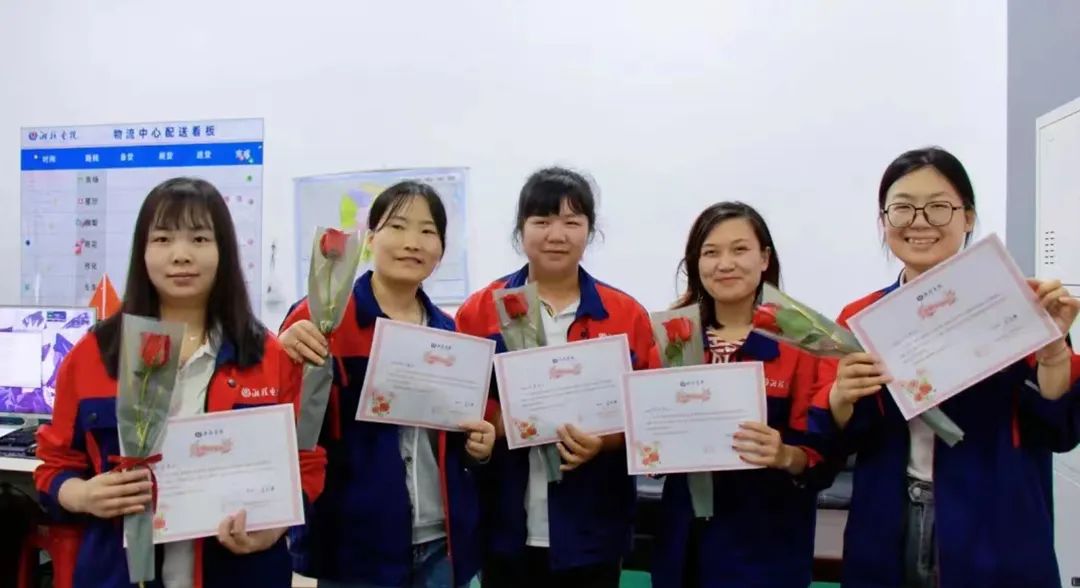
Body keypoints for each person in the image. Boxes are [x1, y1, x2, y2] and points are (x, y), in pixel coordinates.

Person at [34, 177, 326, 587]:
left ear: (223, 251)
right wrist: (81, 495)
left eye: (200, 239)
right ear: (142, 251)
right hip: (120, 573)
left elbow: (305, 463)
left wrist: (276, 528)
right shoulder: (94, 354)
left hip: (240, 572)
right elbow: (55, 465)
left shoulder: (267, 356)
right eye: (163, 239)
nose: (181, 254)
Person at [810, 147, 1080, 587]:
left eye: (938, 207)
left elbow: (1060, 432)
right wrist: (841, 396)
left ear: (968, 217)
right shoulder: (862, 318)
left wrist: (1052, 354)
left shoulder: (1017, 305)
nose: (919, 222)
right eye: (902, 208)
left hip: (995, 527)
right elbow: (835, 442)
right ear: (884, 221)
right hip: (888, 525)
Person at [279, 181, 495, 588]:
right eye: (397, 227)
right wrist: (280, 357)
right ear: (370, 239)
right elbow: (286, 424)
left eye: (428, 231)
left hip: (441, 542)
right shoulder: (321, 319)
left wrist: (477, 448)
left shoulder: (450, 334)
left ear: (441, 249)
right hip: (355, 545)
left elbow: (454, 437)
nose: (412, 242)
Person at [454, 167, 657, 588]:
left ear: (590, 230)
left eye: (571, 222)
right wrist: (497, 426)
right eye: (542, 221)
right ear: (521, 229)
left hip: (593, 527)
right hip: (505, 525)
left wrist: (604, 441)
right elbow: (459, 400)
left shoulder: (626, 315)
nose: (557, 235)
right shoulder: (480, 310)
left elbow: (649, 412)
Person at [648, 201, 832, 587]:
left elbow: (821, 457)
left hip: (765, 550)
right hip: (683, 548)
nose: (725, 264)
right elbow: (651, 441)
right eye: (711, 252)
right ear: (696, 263)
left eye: (740, 249)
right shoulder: (671, 343)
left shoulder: (800, 347)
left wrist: (785, 455)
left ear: (764, 258)